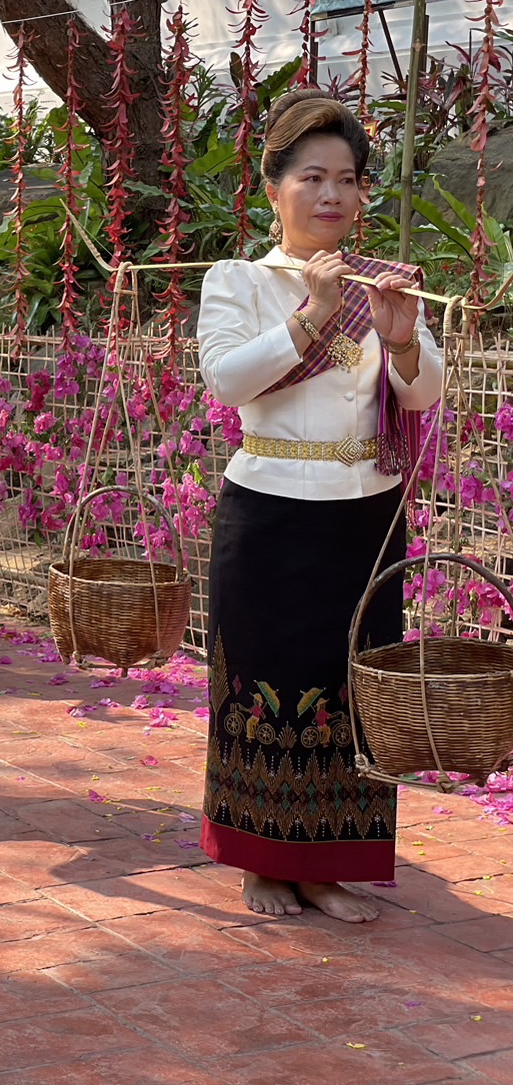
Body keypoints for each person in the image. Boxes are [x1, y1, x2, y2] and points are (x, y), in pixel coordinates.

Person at [197, 90, 444, 923]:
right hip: (266, 508)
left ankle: (327, 863)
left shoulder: (383, 285)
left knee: (350, 686)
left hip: (364, 514)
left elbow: (422, 397)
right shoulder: (236, 280)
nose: (332, 194)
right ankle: (261, 862)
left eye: (347, 179)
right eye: (312, 177)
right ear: (273, 188)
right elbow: (227, 380)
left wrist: (403, 336)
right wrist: (308, 315)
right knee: (262, 683)